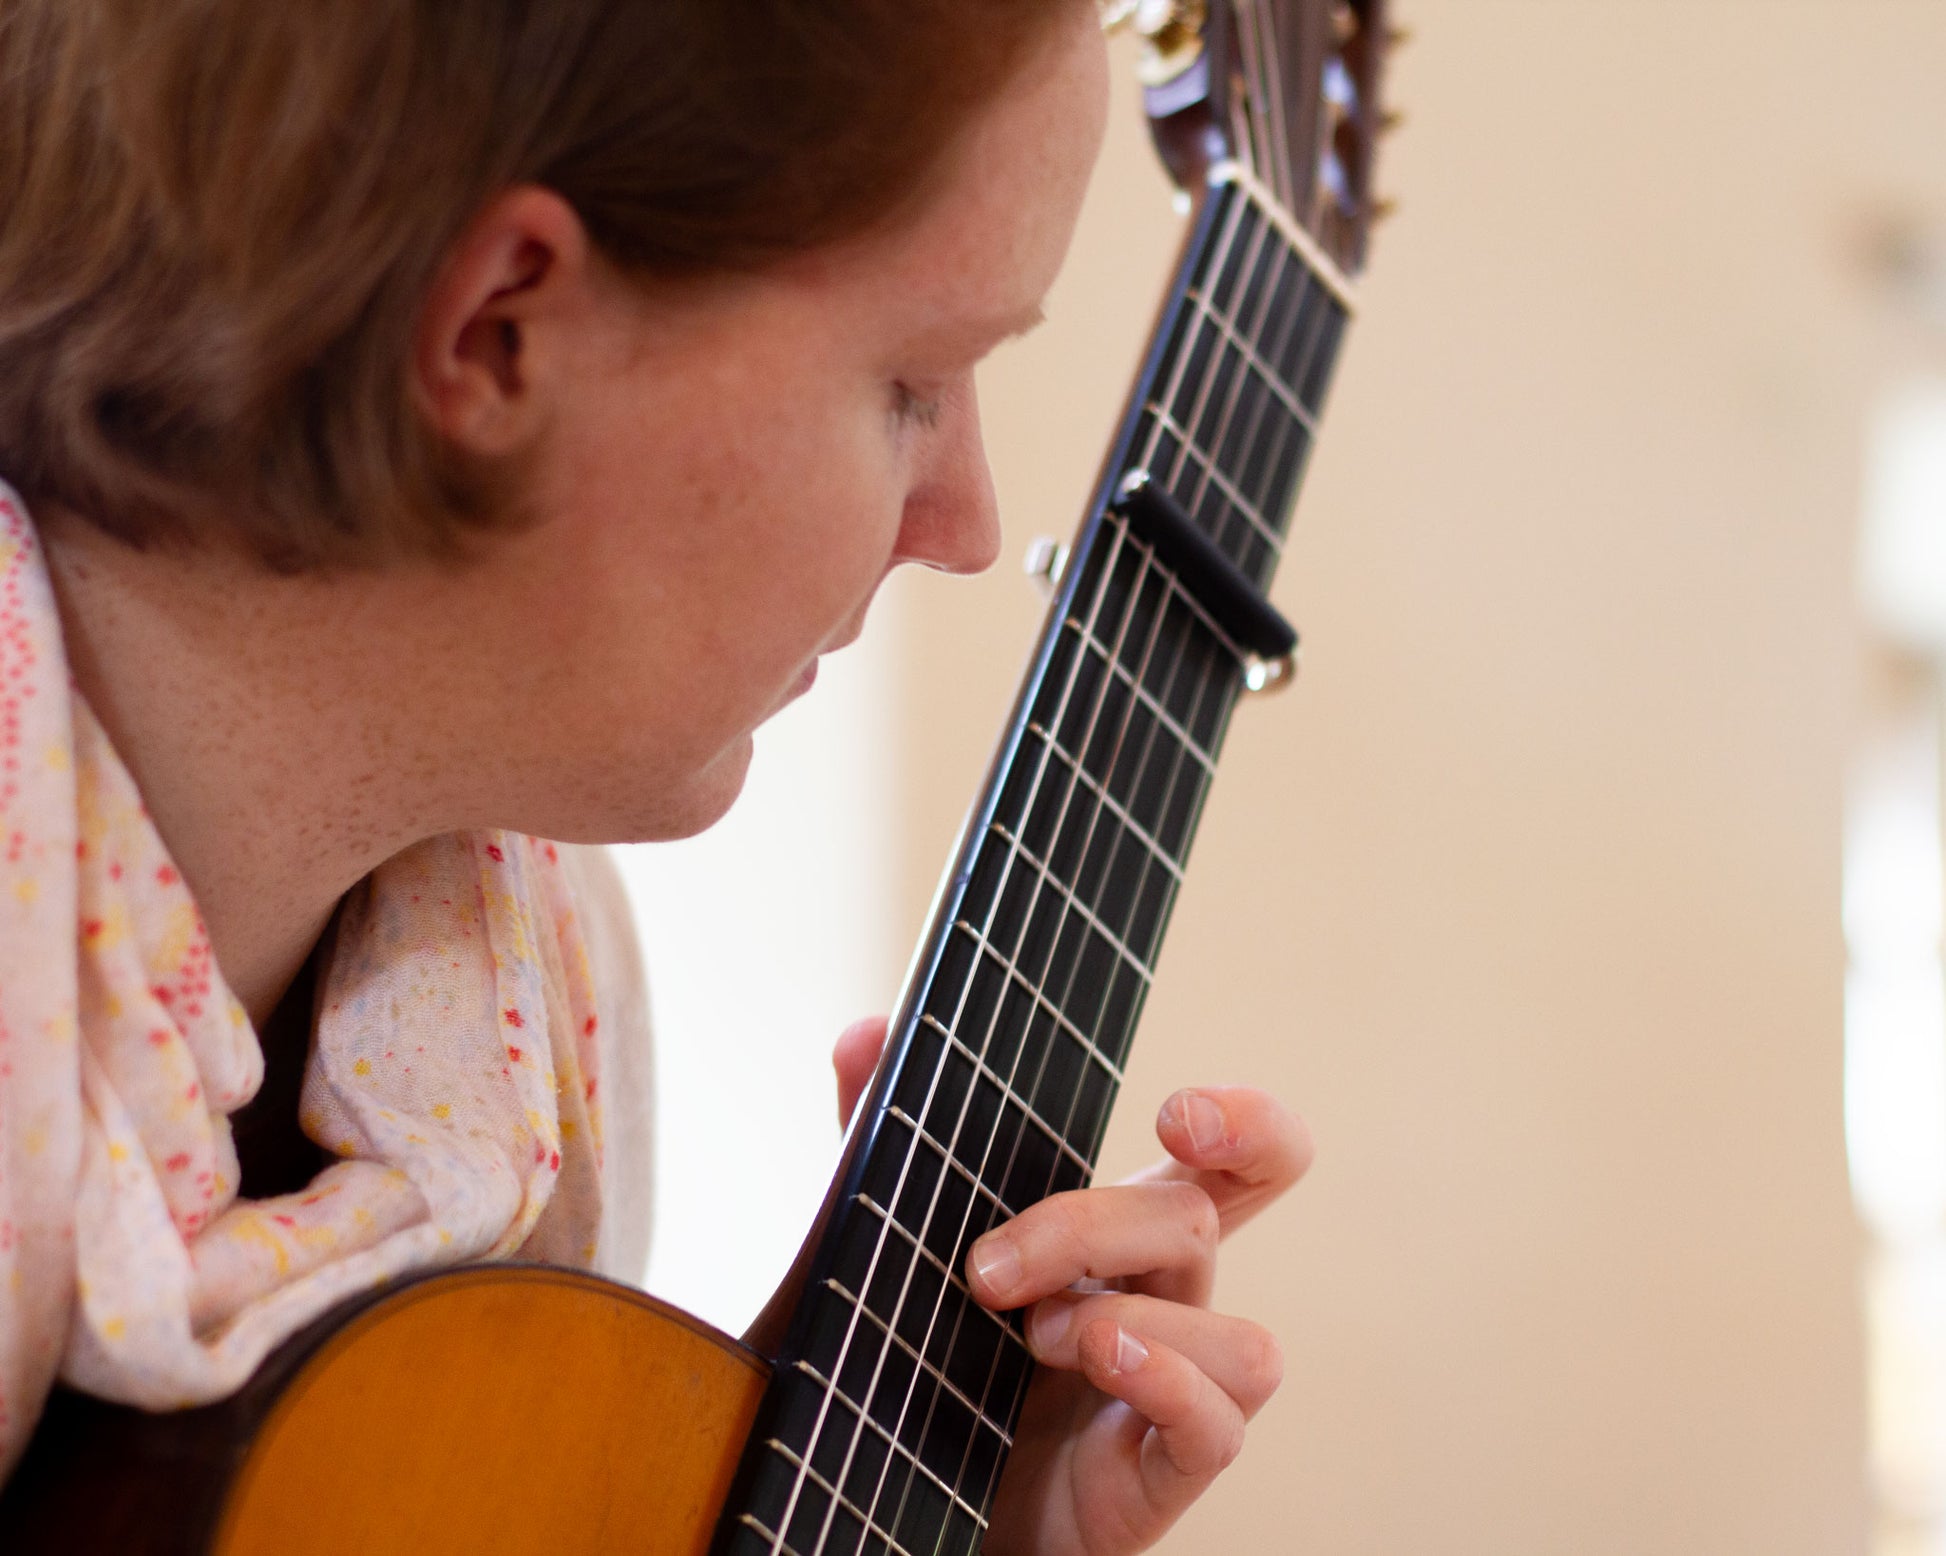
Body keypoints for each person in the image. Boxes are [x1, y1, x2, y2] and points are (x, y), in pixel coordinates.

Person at [0, 1, 1313, 1550]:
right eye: (911, 382)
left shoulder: (520, 1008)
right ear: (497, 332)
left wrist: (761, 1487)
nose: (965, 522)